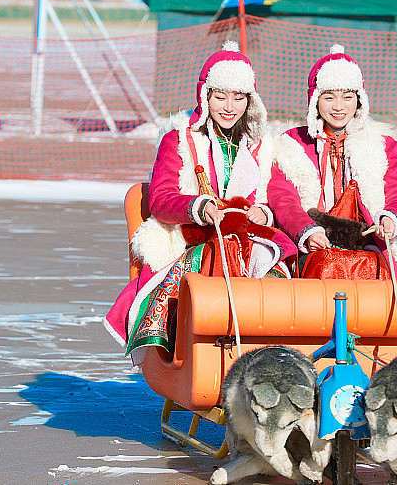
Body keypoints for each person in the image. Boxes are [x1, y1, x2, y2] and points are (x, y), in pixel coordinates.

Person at [104, 41, 296, 364]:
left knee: (282, 274)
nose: (229, 106)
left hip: (247, 239)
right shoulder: (179, 139)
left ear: (250, 100)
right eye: (220, 96)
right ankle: (206, 355)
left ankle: (264, 352)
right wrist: (198, 207)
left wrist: (263, 212)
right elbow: (160, 199)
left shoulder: (263, 146)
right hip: (192, 239)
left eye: (238, 97)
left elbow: (270, 197)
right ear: (205, 95)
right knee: (212, 265)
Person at [267, 44, 397, 365]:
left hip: (370, 242)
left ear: (359, 100)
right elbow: (282, 197)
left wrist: (391, 218)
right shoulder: (291, 145)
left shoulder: (380, 144)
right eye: (329, 96)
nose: (338, 106)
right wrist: (305, 230)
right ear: (314, 100)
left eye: (347, 96)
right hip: (313, 245)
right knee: (325, 272)